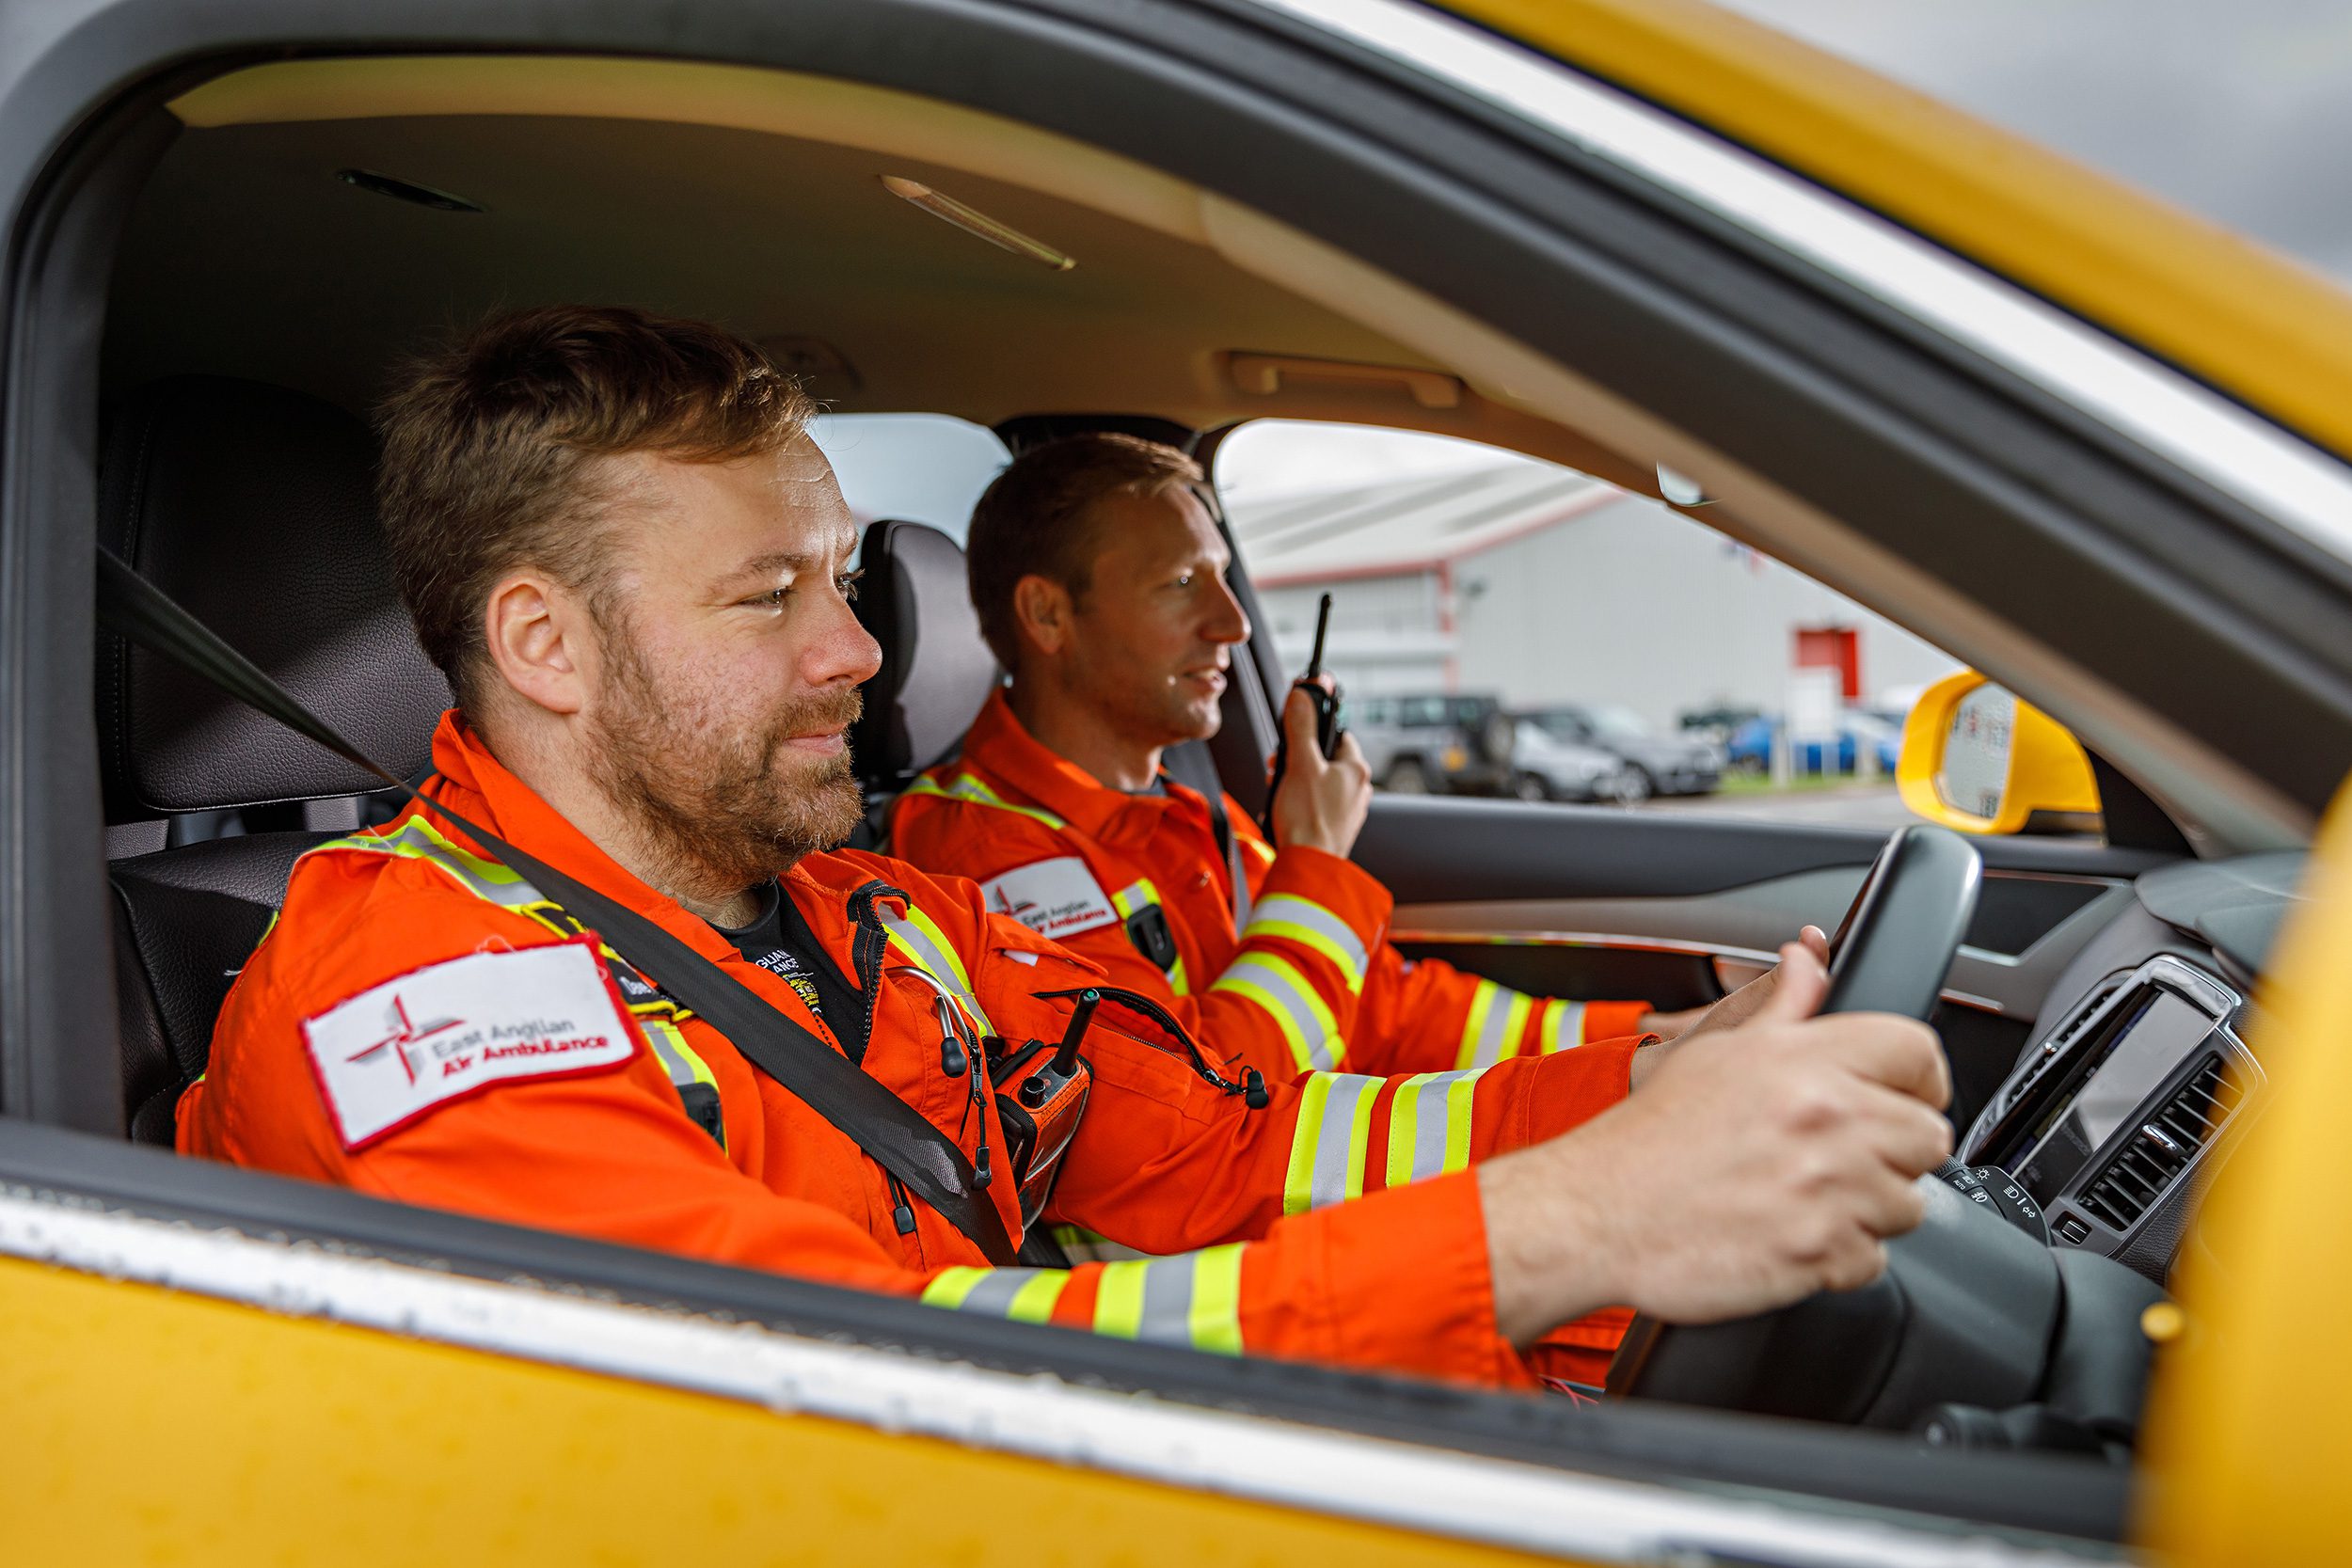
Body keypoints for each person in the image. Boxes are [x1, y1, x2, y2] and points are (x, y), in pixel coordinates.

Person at [179, 306, 1952, 1393]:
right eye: (767, 596)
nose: (865, 655)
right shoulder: (424, 1013)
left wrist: (1651, 1077)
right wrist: (1572, 1219)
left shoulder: (867, 912)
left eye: (843, 580)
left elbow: (1201, 1157)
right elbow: (866, 1392)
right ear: (546, 646)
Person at [889, 434, 1701, 1092]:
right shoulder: (983, 859)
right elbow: (1200, 1105)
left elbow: (1378, 1005)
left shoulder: (1176, 811)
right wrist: (1311, 859)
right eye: (1181, 583)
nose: (1234, 622)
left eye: (1224, 577)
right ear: (1047, 613)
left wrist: (1654, 1040)